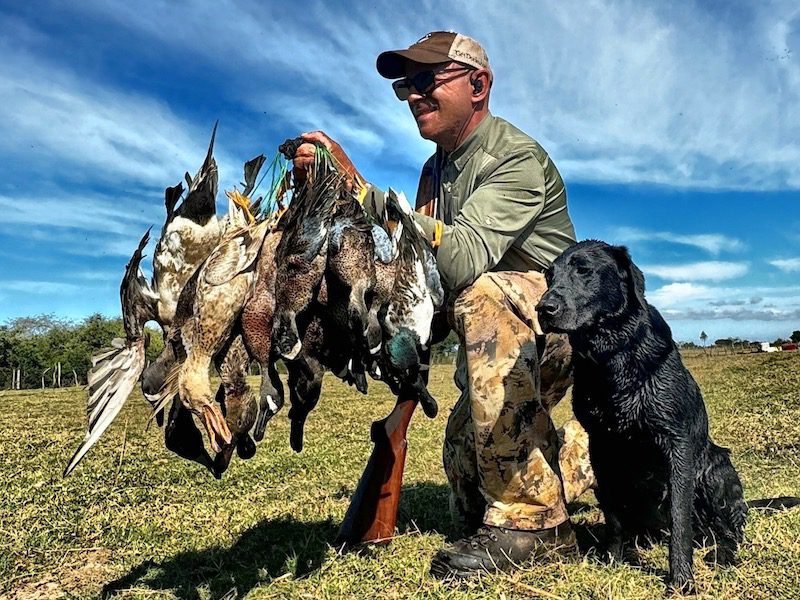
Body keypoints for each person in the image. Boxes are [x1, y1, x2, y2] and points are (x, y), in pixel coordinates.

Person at [292, 31, 595, 578]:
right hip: (496, 344)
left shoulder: (516, 158)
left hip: (554, 330)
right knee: (469, 478)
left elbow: (461, 262)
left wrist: (357, 189)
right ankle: (582, 455)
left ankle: (538, 529)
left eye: (427, 80)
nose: (413, 95)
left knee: (485, 292)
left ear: (478, 85)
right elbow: (425, 276)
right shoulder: (434, 171)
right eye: (405, 86)